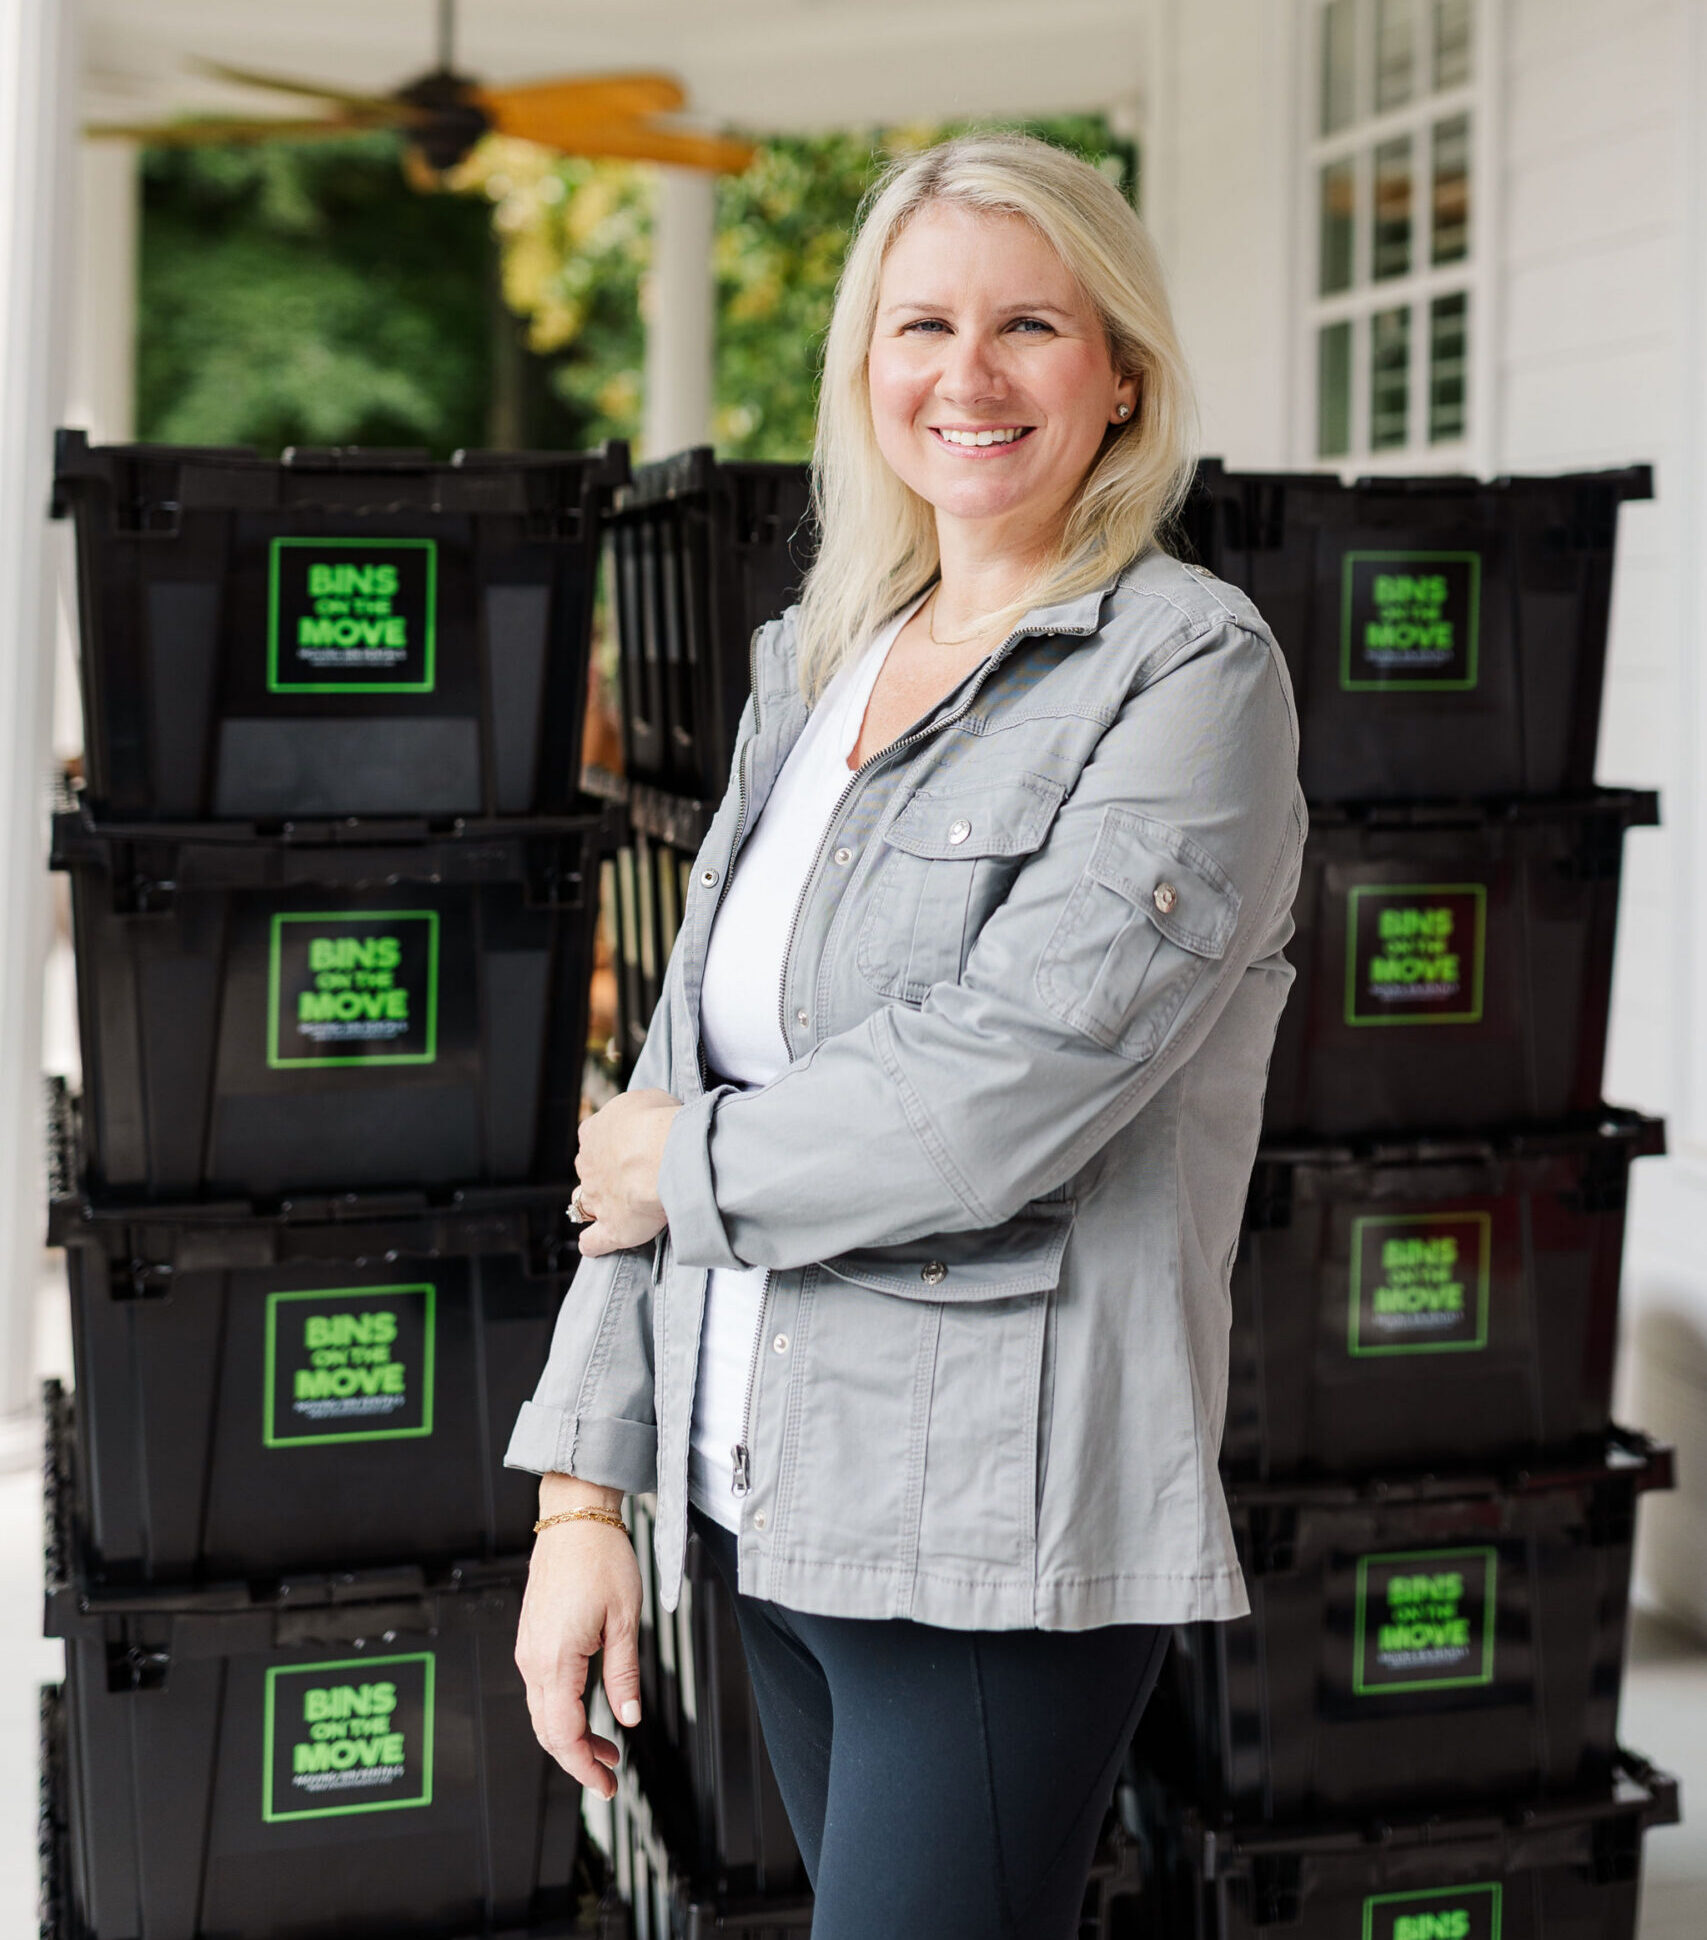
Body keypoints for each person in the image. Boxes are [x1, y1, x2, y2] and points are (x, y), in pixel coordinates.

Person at [508, 130, 1305, 1939]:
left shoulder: (1190, 670)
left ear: (1121, 375)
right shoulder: (819, 660)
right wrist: (582, 1496)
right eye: (919, 323)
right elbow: (669, 1081)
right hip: (753, 1502)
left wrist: (684, 1162)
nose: (969, 375)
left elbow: (1004, 1089)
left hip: (986, 1542)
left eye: (1031, 322)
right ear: (864, 369)